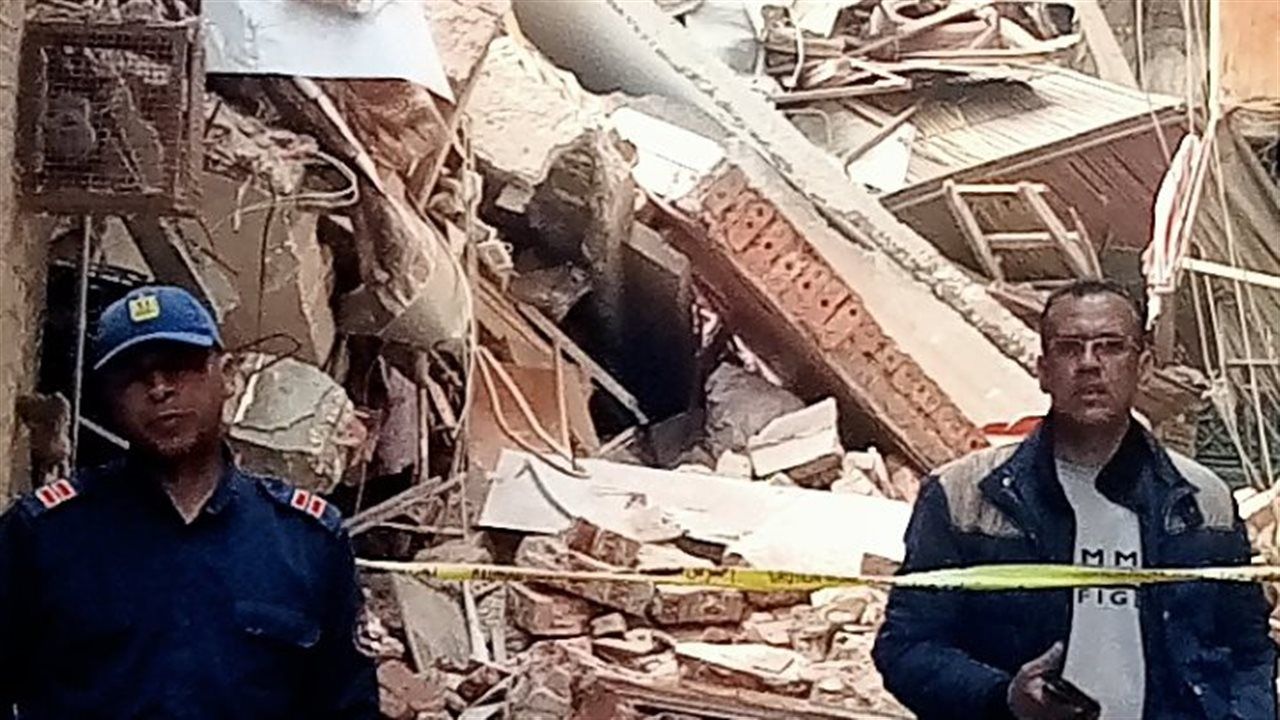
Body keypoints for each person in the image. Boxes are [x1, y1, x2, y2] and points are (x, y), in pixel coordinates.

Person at [873, 279, 1277, 720]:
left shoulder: (1202, 502)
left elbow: (1248, 649)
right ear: (1043, 370)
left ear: (1143, 367)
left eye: (1110, 347)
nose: (1089, 364)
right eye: (1069, 348)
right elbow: (908, 647)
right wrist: (1004, 697)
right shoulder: (964, 497)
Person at [0, 285, 378, 719]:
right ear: (108, 399)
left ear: (227, 375)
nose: (159, 389)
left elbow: (349, 706)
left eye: (178, 365)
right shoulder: (44, 535)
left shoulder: (307, 543)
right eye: (134, 376)